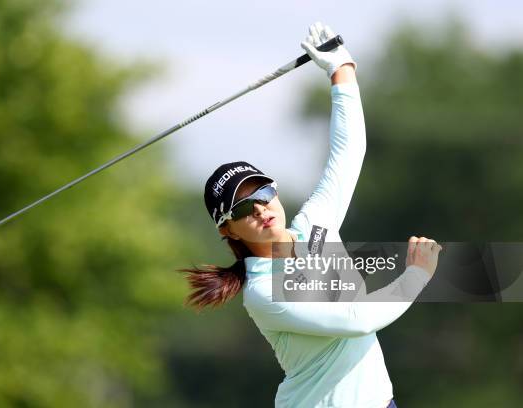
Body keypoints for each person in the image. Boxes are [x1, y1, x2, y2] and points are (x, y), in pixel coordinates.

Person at [181, 21, 442, 408]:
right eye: (242, 207)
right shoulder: (263, 292)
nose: (260, 208)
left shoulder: (315, 227)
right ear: (229, 230)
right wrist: (417, 274)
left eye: (263, 192)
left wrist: (341, 69)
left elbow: (348, 152)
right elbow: (357, 319)